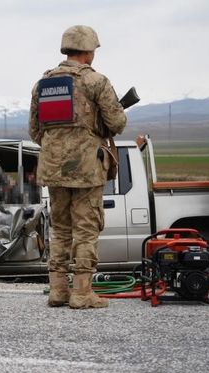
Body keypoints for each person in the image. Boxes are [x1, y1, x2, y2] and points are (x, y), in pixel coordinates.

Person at [28, 25, 126, 309]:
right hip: (86, 169)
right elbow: (117, 123)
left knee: (59, 229)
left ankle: (57, 291)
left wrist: (60, 143)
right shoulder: (96, 81)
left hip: (53, 168)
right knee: (85, 229)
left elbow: (35, 131)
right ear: (88, 51)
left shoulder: (43, 84)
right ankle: (82, 293)